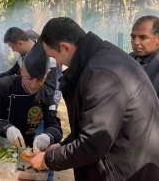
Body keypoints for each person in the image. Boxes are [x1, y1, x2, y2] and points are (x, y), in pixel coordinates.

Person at [31, 17, 159, 181]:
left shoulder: (102, 74)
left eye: (54, 56)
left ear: (65, 47)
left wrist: (48, 160)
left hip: (125, 172)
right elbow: (91, 125)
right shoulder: (104, 54)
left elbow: (93, 143)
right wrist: (61, 146)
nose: (57, 62)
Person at [0, 44, 61, 181]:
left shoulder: (47, 94)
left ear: (47, 73)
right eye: (29, 78)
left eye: (40, 79)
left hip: (23, 147)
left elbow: (55, 126)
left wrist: (47, 137)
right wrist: (7, 129)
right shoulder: (4, 85)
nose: (34, 85)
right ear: (22, 69)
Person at [130, 15, 159, 96]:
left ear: (158, 39)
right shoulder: (126, 59)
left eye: (143, 37)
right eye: (133, 37)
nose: (136, 42)